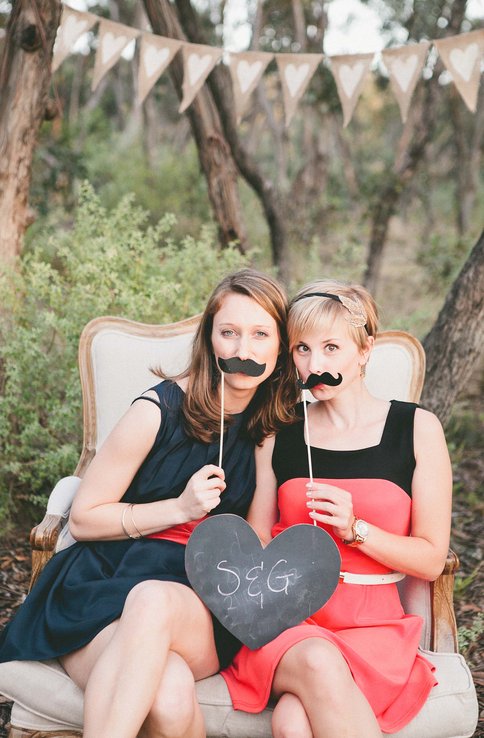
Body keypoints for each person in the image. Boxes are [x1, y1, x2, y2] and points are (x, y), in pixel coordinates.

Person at [0, 268, 299, 738]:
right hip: (103, 587)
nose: (244, 350)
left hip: (201, 600)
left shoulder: (272, 428)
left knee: (153, 600)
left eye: (261, 334)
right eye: (229, 333)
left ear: (280, 346)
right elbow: (85, 517)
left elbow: (258, 542)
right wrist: (178, 509)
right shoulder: (156, 411)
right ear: (210, 340)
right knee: (170, 698)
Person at [221, 279, 452, 738]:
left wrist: (356, 528)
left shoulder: (417, 429)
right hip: (290, 622)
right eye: (302, 350)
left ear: (365, 350)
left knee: (291, 723)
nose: (315, 364)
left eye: (331, 347)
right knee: (317, 658)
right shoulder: (279, 434)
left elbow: (430, 560)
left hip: (374, 628)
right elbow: (257, 540)